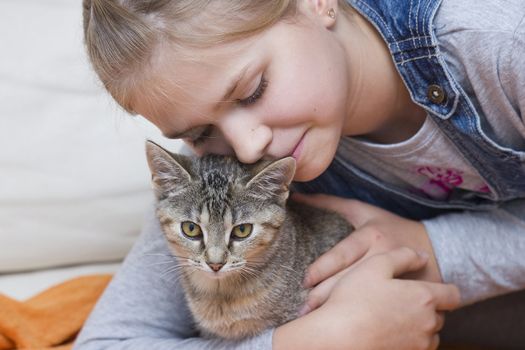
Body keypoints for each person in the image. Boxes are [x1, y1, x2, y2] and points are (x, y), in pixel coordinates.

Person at [75, 0, 525, 349]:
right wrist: (311, 342)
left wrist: (436, 249)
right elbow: (107, 340)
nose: (248, 147)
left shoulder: (502, 42)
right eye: (199, 132)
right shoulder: (219, 173)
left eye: (253, 91)